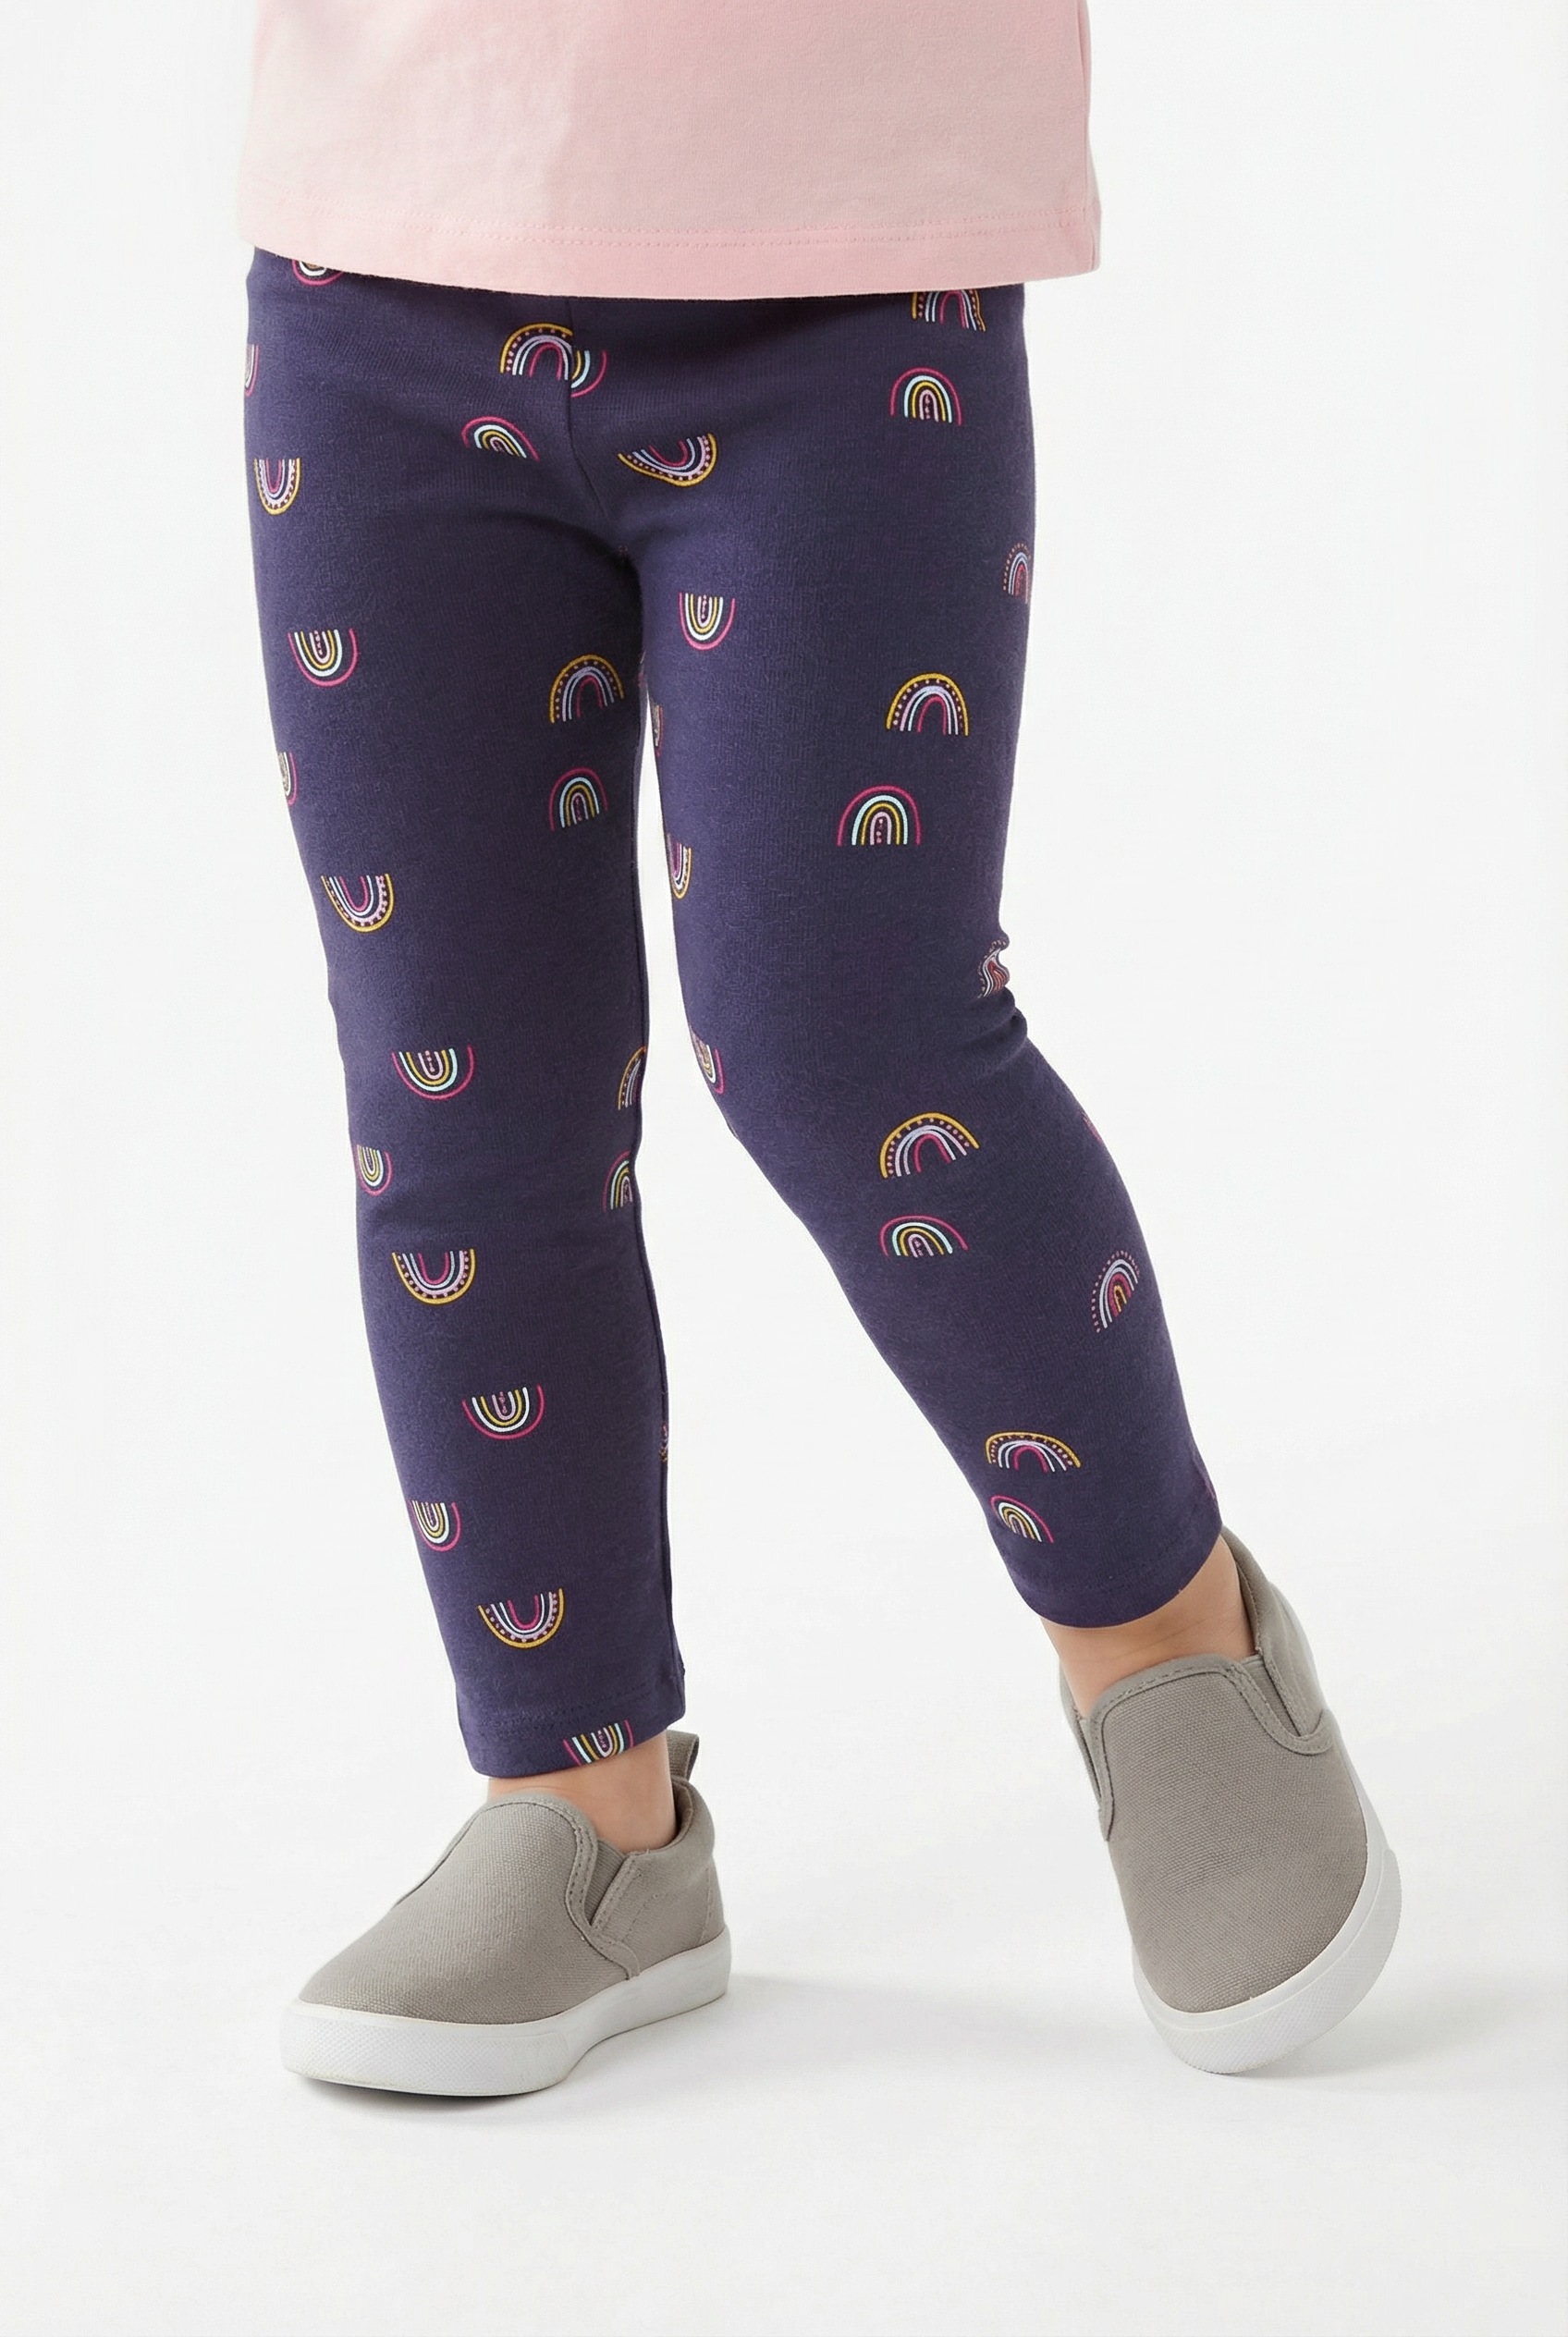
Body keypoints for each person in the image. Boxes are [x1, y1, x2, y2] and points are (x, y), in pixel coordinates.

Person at [236, 0, 1399, 2098]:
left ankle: (1165, 1642)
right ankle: (584, 1812)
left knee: (852, 1040)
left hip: (851, 273)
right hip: (381, 265)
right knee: (458, 1092)